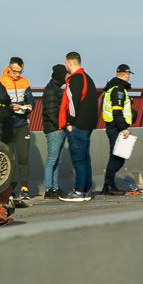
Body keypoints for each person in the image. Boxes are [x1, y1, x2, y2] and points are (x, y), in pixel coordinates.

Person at [58, 51, 98, 202]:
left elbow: (72, 103)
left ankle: (79, 191)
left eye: (66, 63)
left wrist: (69, 122)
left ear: (70, 63)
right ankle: (86, 190)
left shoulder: (74, 80)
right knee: (85, 157)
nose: (65, 66)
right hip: (87, 124)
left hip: (77, 125)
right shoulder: (88, 79)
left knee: (78, 159)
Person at [0, 57, 37, 200]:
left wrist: (29, 107)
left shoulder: (24, 81)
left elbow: (31, 99)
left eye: (19, 72)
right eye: (14, 71)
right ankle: (7, 190)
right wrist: (10, 107)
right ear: (9, 67)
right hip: (7, 125)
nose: (17, 74)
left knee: (23, 158)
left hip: (21, 124)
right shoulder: (1, 81)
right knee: (7, 158)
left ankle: (24, 189)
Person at [101, 63, 136, 195]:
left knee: (117, 156)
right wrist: (124, 128)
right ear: (126, 75)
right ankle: (108, 185)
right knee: (117, 157)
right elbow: (117, 112)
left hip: (113, 127)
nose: (128, 77)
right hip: (115, 127)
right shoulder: (118, 90)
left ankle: (109, 185)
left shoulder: (112, 87)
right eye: (128, 74)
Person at [40, 63, 68, 199]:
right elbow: (51, 112)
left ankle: (55, 187)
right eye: (65, 74)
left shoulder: (55, 88)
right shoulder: (51, 90)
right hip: (54, 129)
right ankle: (48, 189)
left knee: (57, 160)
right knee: (52, 159)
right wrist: (59, 125)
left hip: (58, 128)